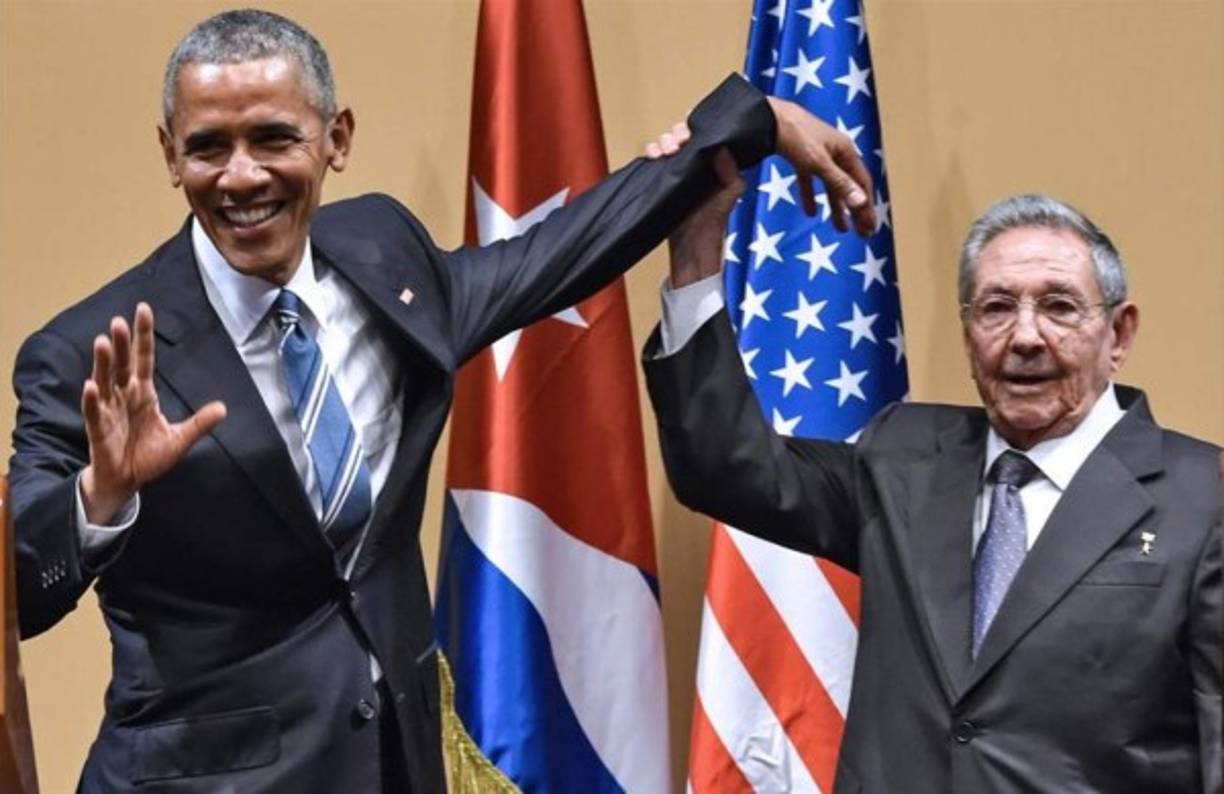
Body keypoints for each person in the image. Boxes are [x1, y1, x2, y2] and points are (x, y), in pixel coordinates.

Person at [7, 8, 877, 793]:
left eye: (274, 138)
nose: (240, 178)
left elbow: (562, 250)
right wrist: (100, 502)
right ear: (170, 153)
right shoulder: (92, 354)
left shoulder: (384, 256)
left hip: (396, 766)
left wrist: (751, 123)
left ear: (335, 137)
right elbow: (18, 589)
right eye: (207, 147)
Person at [645, 181, 1223, 791]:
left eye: (1059, 306)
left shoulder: (1202, 496)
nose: (1025, 337)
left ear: (1120, 335)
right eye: (997, 308)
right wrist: (696, 251)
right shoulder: (905, 456)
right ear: (969, 330)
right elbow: (724, 467)